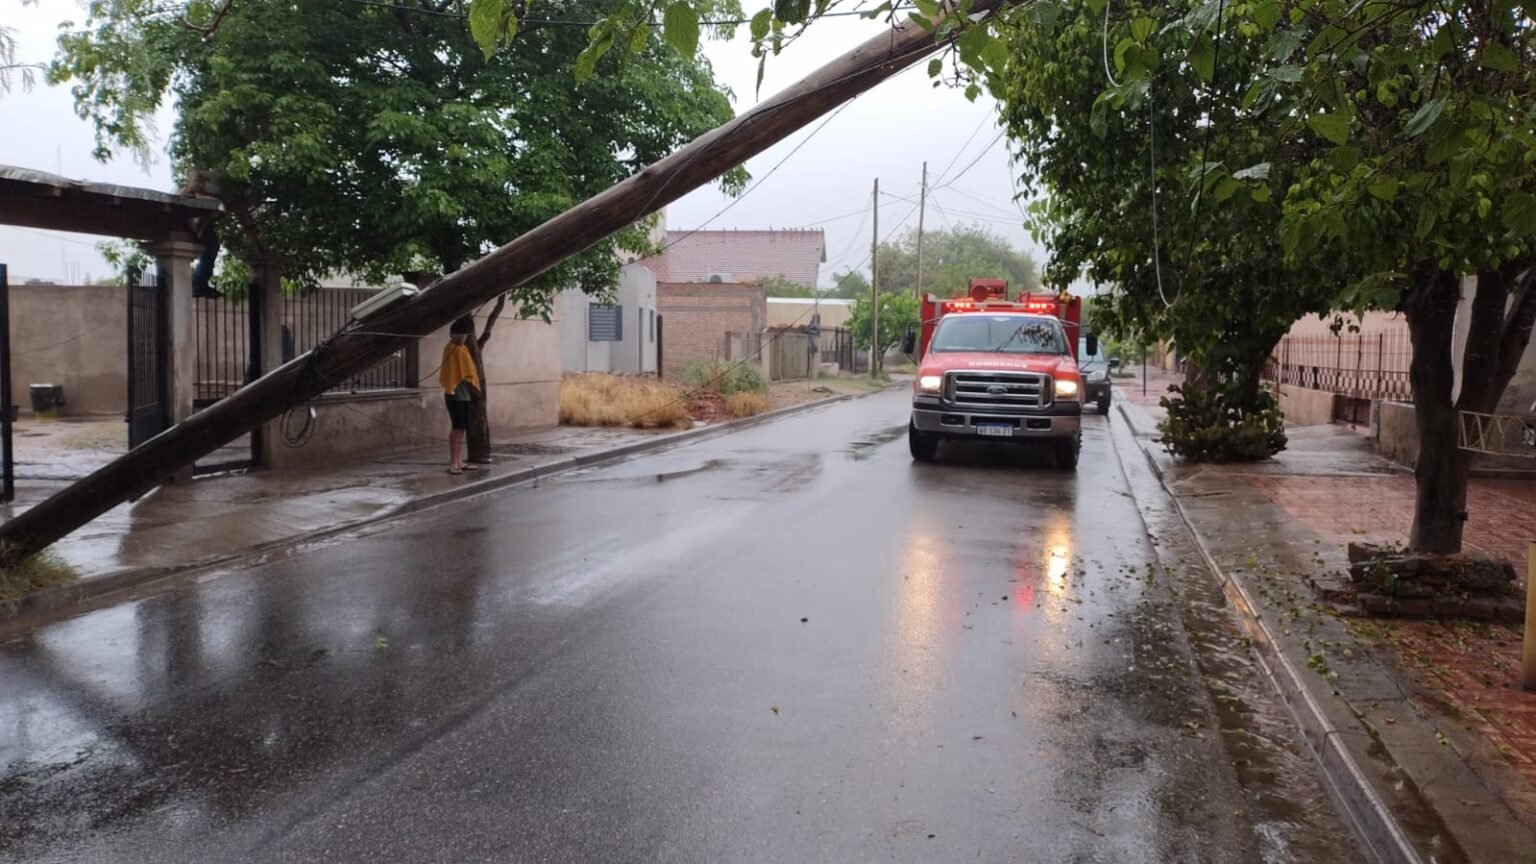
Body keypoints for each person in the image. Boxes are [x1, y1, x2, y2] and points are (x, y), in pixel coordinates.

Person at [440, 316, 482, 475]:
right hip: (455, 395)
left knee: (462, 428)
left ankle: (459, 461)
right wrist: (475, 387)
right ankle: (453, 463)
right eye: (462, 335)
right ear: (455, 335)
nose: (464, 339)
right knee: (457, 428)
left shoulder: (462, 349)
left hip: (464, 395)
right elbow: (463, 373)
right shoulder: (452, 349)